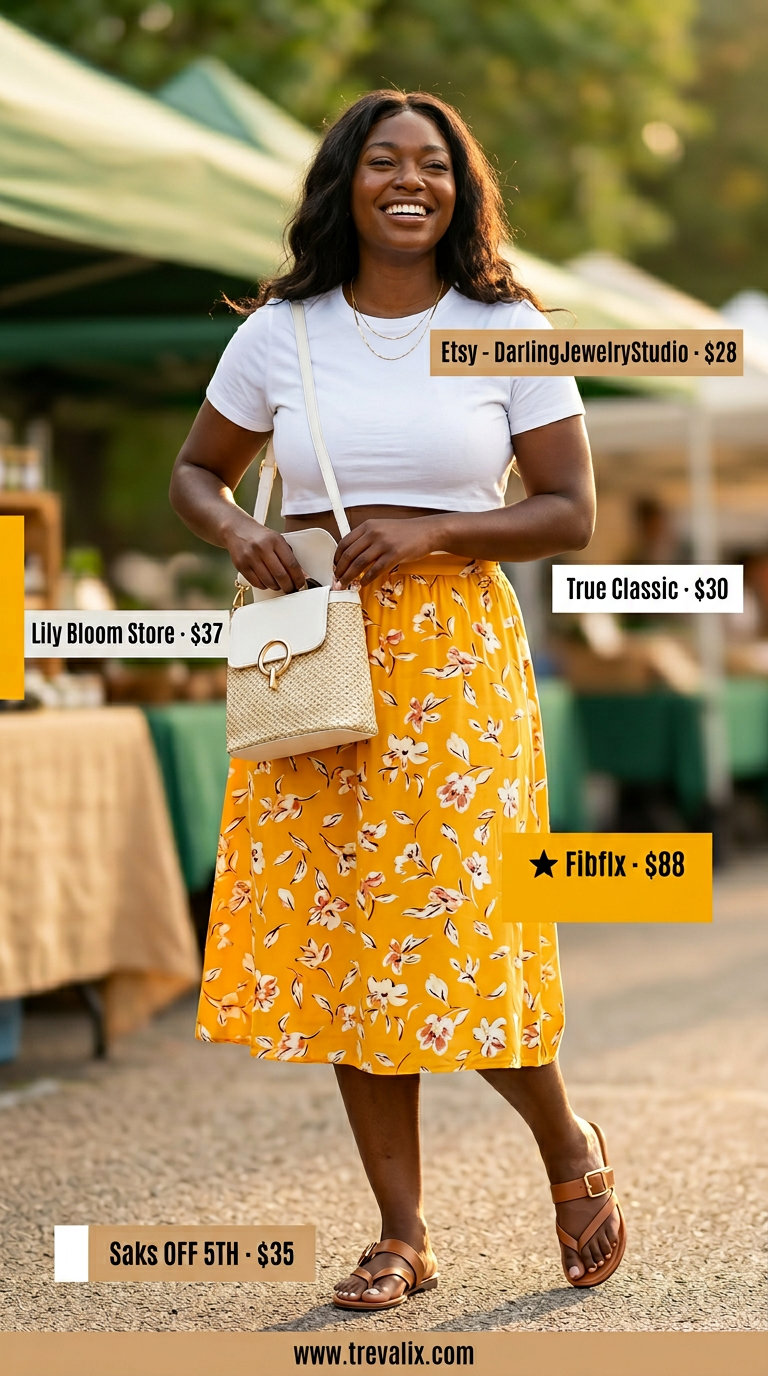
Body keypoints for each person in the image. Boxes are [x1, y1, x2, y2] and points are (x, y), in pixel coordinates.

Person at [169, 89, 626, 1308]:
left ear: (461, 189)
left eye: (433, 163)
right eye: (384, 161)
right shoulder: (282, 333)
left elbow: (569, 510)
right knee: (346, 946)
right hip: (315, 645)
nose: (409, 180)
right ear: (348, 182)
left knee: (465, 927)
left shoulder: (504, 323)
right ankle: (402, 1232)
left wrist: (438, 530)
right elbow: (198, 472)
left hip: (457, 669)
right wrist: (239, 536)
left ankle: (567, 1143)